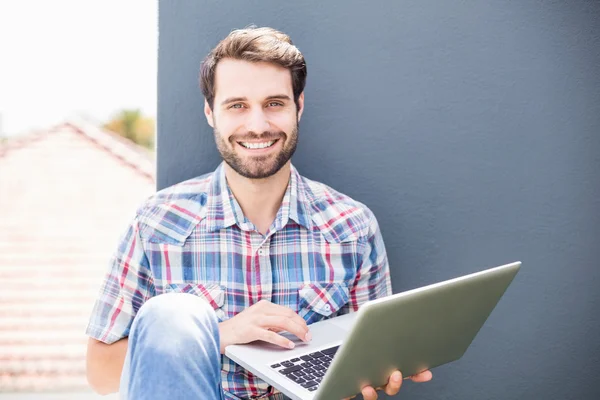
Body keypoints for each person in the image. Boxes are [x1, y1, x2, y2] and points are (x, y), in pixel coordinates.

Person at [85, 26, 432, 400]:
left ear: (298, 107)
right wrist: (217, 336)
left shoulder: (352, 227)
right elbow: (101, 372)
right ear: (210, 113)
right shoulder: (157, 222)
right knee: (171, 314)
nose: (257, 125)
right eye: (237, 106)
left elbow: (367, 356)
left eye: (274, 104)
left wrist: (371, 375)